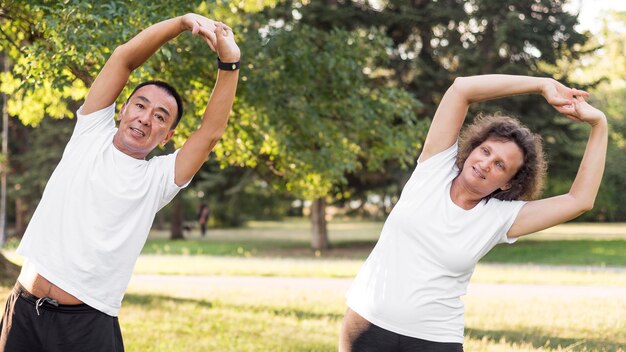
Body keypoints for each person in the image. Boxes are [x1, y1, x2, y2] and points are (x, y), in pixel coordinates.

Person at [0, 13, 240, 351]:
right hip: (23, 311)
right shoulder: (90, 132)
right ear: (123, 109)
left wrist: (229, 63)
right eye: (140, 105)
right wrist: (182, 22)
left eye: (160, 116)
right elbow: (123, 59)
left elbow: (211, 132)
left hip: (85, 327)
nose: (145, 118)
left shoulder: (158, 178)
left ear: (167, 135)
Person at [339, 75, 608, 352]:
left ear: (508, 183)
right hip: (366, 325)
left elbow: (580, 200)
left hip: (435, 339)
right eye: (485, 151)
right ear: (472, 149)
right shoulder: (434, 167)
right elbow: (461, 88)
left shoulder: (500, 218)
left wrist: (598, 124)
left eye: (500, 164)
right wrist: (541, 84)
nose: (486, 163)